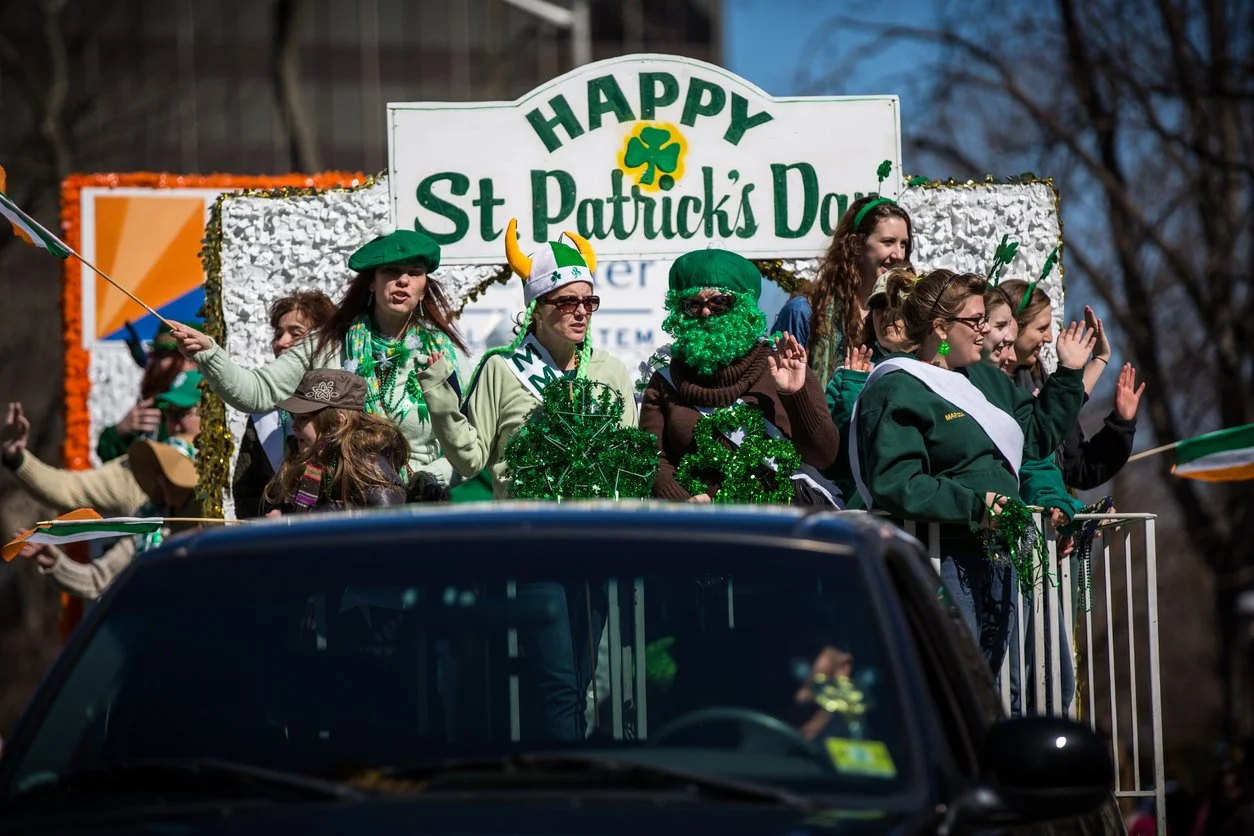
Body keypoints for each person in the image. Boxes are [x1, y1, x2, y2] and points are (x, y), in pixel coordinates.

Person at [850, 269, 1094, 672]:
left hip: (1000, 552)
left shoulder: (985, 379)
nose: (988, 330)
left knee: (991, 683)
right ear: (940, 328)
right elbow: (897, 482)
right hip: (942, 556)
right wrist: (974, 505)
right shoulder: (897, 386)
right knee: (954, 677)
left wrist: (1069, 373)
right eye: (976, 320)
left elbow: (1034, 438)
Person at [169, 229, 468, 486]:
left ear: (423, 288)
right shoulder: (328, 343)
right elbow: (257, 392)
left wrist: (431, 478)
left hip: (419, 507)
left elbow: (473, 442)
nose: (403, 280)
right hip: (341, 502)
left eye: (414, 272)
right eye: (391, 271)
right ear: (371, 282)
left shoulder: (445, 354)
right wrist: (209, 353)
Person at [418, 218, 637, 498]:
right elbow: (470, 461)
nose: (581, 311)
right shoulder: (501, 368)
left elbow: (630, 460)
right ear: (536, 309)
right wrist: (441, 400)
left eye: (588, 301)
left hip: (599, 520)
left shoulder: (611, 370)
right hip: (525, 521)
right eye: (567, 301)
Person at [639, 248, 840, 504]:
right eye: (692, 305)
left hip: (783, 518)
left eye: (719, 302)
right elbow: (652, 458)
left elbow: (824, 456)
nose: (706, 312)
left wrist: (794, 395)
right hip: (705, 522)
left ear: (745, 307)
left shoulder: (781, 364)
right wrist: (686, 503)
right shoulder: (664, 382)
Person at [13, 433, 201, 600]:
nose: (163, 481)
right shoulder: (150, 526)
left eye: (171, 473)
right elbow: (98, 581)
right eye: (159, 473)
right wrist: (56, 562)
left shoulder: (211, 521)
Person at [1002, 279, 1144, 490]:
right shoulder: (985, 383)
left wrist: (1121, 424)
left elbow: (1077, 467)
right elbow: (1033, 443)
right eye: (1041, 328)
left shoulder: (1039, 381)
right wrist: (1072, 370)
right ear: (1013, 327)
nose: (1049, 338)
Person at [1, 372, 204, 516]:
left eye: (183, 413)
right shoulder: (143, 468)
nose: (174, 424)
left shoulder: (221, 473)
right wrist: (17, 457)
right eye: (169, 414)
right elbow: (69, 489)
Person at [772, 195, 913, 387]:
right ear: (856, 244)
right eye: (888, 242)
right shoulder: (805, 311)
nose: (899, 254)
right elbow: (774, 381)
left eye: (903, 244)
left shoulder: (906, 314)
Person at [232, 290, 336, 518]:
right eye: (278, 334)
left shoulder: (343, 407)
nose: (281, 343)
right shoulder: (264, 414)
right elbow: (245, 492)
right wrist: (270, 513)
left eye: (295, 334)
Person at [824, 266, 917, 506]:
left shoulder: (944, 368)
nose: (886, 314)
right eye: (879, 306)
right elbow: (831, 459)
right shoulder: (848, 374)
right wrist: (853, 388)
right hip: (862, 511)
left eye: (896, 304)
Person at [262, 370, 408, 513]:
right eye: (294, 417)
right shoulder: (313, 458)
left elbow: (385, 508)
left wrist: (321, 515)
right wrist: (284, 513)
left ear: (337, 422)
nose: (294, 426)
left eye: (304, 418)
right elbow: (305, 508)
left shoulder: (365, 459)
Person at [96, 321, 200, 462]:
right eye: (152, 354)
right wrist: (121, 430)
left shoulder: (212, 398)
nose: (151, 362)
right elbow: (114, 458)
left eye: (162, 355)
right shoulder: (155, 405)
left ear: (191, 360)